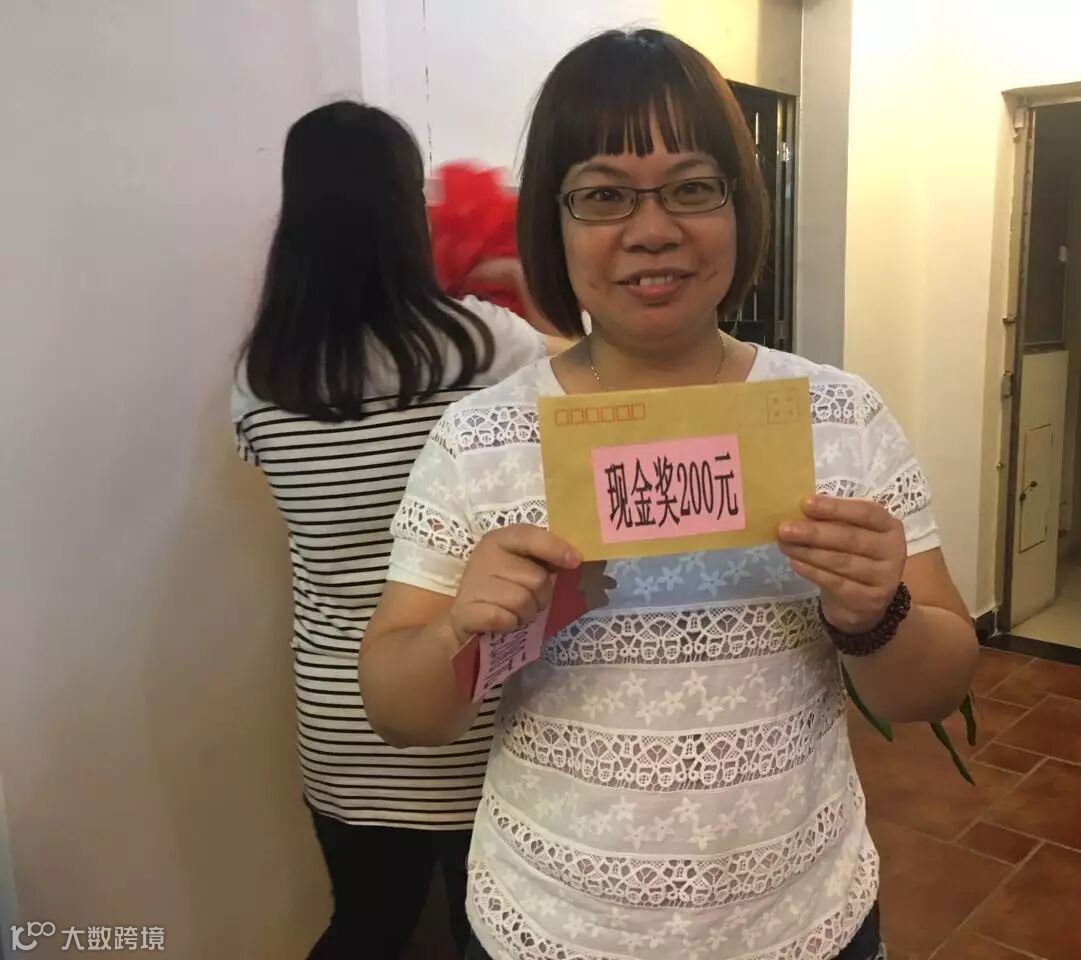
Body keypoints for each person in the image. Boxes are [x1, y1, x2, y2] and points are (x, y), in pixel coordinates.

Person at [361, 30, 978, 960]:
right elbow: (397, 710)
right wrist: (459, 630)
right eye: (604, 195)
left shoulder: (840, 418)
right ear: (554, 220)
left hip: (804, 924)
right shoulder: (481, 438)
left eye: (692, 188)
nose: (653, 230)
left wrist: (874, 614)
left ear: (739, 205)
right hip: (552, 929)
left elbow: (940, 679)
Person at [232, 101, 559, 959]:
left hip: (340, 717)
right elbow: (594, 385)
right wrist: (520, 284)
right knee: (492, 933)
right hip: (470, 706)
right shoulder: (489, 345)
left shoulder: (260, 377)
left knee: (366, 927)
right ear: (406, 209)